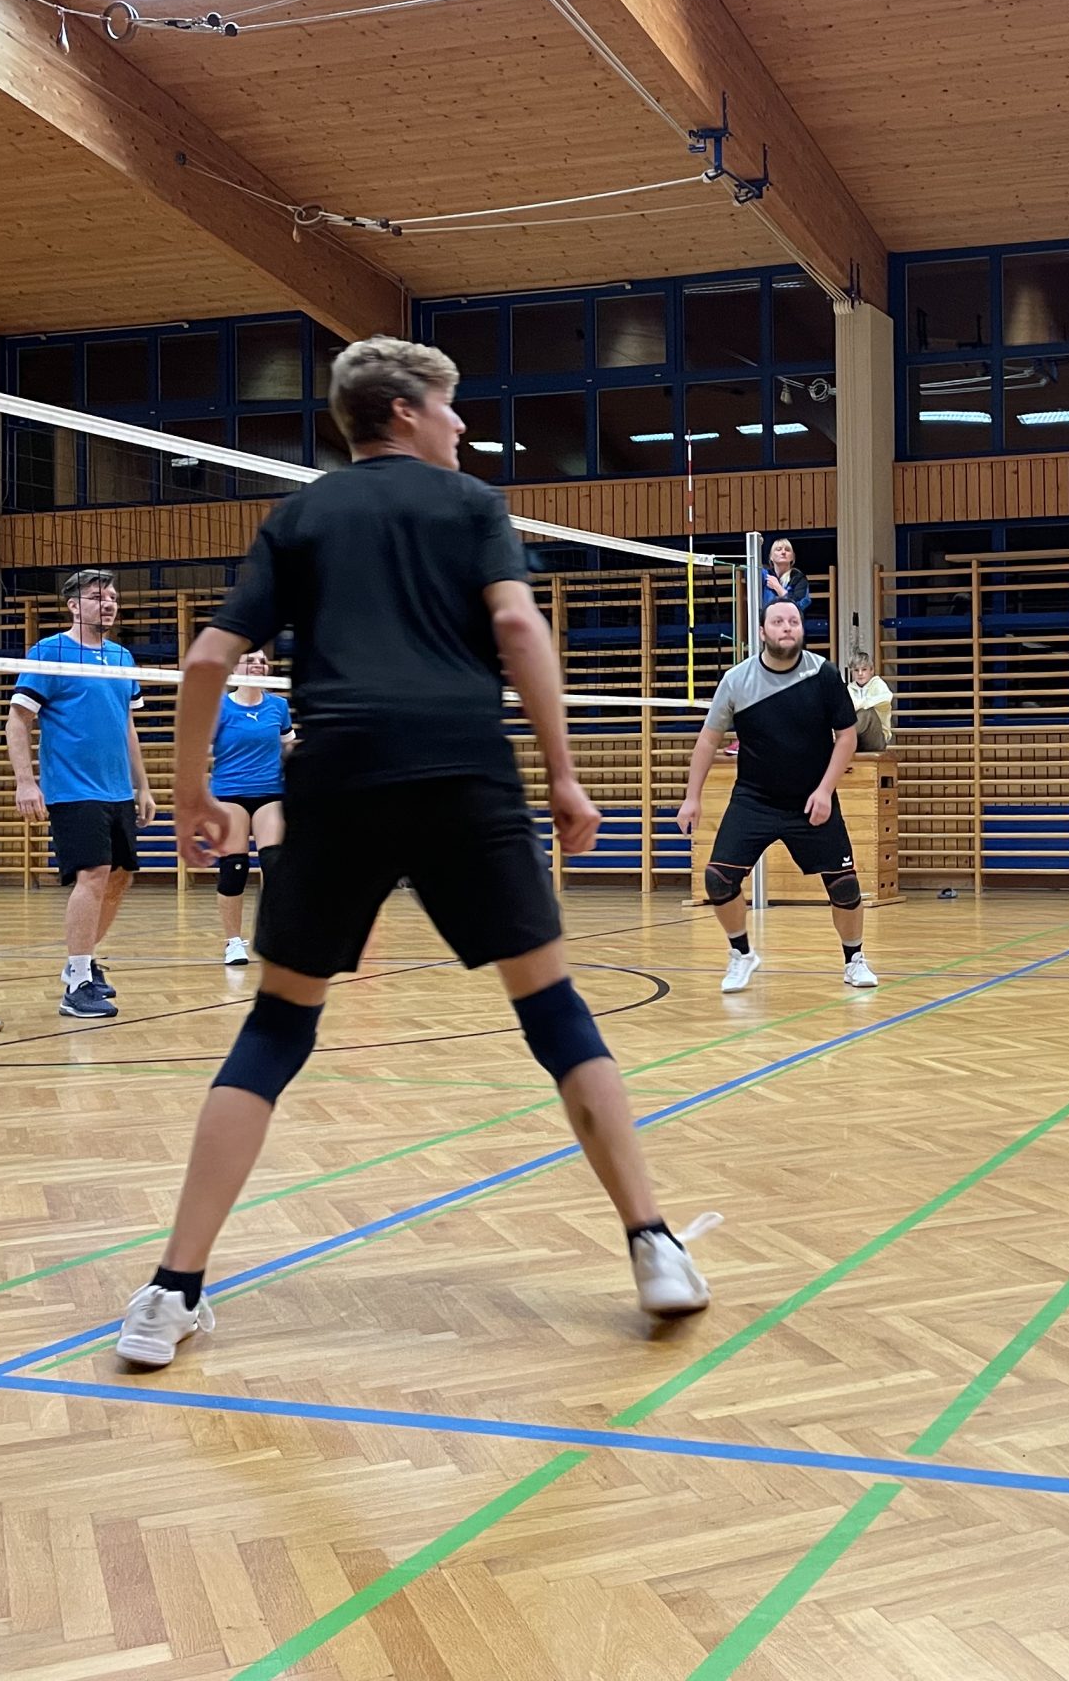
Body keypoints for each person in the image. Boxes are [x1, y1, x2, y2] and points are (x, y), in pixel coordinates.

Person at [116, 335, 711, 1370]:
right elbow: (521, 631)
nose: (461, 425)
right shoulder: (469, 503)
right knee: (552, 1008)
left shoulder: (298, 516)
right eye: (449, 406)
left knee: (275, 1029)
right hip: (460, 768)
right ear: (399, 411)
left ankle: (169, 1294)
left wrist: (190, 790)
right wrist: (564, 774)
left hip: (339, 771)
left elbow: (210, 655)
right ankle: (652, 1246)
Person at [677, 598, 872, 993]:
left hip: (811, 800)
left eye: (794, 621)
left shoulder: (824, 674)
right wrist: (691, 797)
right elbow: (708, 740)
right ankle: (741, 954)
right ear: (763, 632)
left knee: (845, 886)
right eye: (778, 621)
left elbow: (847, 736)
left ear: (802, 629)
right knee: (717, 880)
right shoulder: (736, 680)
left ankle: (854, 960)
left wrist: (825, 790)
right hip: (755, 799)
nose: (787, 627)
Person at [7, 568, 156, 1019]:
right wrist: (25, 781)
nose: (107, 603)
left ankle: (85, 962)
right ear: (73, 605)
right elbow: (17, 721)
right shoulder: (49, 651)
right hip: (72, 787)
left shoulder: (123, 657)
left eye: (112, 596)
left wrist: (143, 785)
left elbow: (127, 726)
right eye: (97, 596)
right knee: (93, 874)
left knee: (119, 877)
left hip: (117, 789)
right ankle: (75, 982)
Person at [207, 649, 293, 966]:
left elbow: (287, 746)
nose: (257, 665)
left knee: (274, 864)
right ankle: (233, 942)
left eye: (262, 661)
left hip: (270, 792)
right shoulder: (219, 707)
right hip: (230, 793)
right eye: (250, 660)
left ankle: (275, 939)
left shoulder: (278, 707)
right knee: (235, 868)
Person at [845, 651, 895, 755]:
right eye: (856, 670)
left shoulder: (879, 685)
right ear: (851, 672)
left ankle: (839, 737)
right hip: (855, 740)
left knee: (867, 713)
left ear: (871, 670)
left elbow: (886, 698)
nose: (860, 673)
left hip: (875, 739)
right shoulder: (848, 689)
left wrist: (859, 704)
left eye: (864, 669)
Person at [760, 537, 811, 618]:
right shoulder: (764, 574)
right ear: (771, 557)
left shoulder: (799, 578)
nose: (783, 552)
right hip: (768, 623)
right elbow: (749, 573)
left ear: (793, 557)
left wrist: (778, 588)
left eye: (787, 549)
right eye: (778, 549)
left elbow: (799, 606)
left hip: (791, 624)